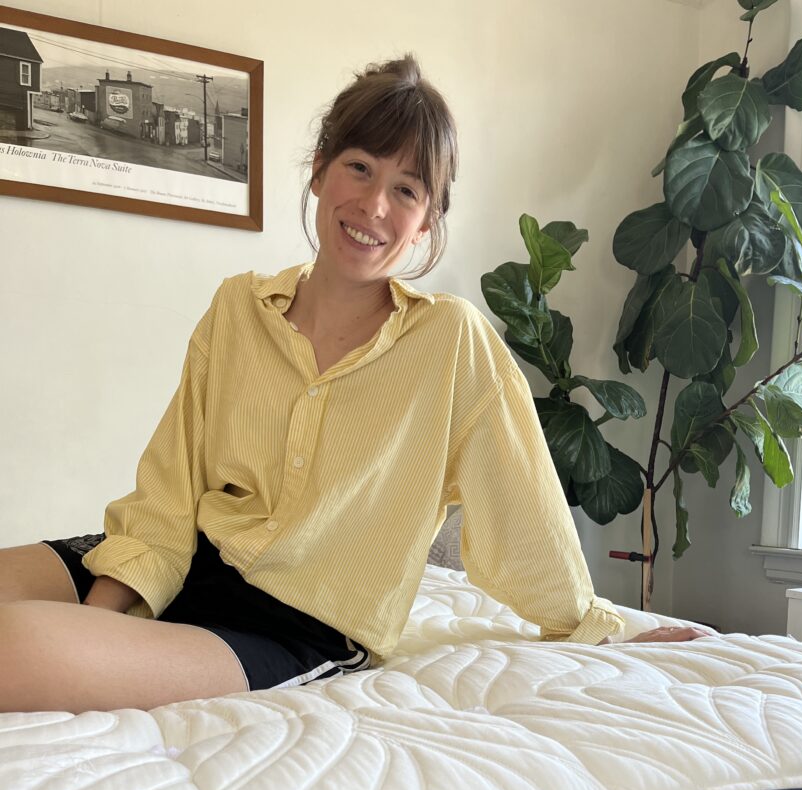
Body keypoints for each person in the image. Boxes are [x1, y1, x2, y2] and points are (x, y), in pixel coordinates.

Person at [0, 56, 707, 715]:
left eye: (406, 190)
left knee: (12, 650)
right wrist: (100, 616)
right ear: (319, 172)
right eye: (360, 168)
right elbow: (168, 492)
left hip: (287, 622)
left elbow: (523, 512)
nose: (374, 205)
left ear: (428, 219)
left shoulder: (451, 343)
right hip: (177, 555)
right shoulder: (238, 308)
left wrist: (594, 625)